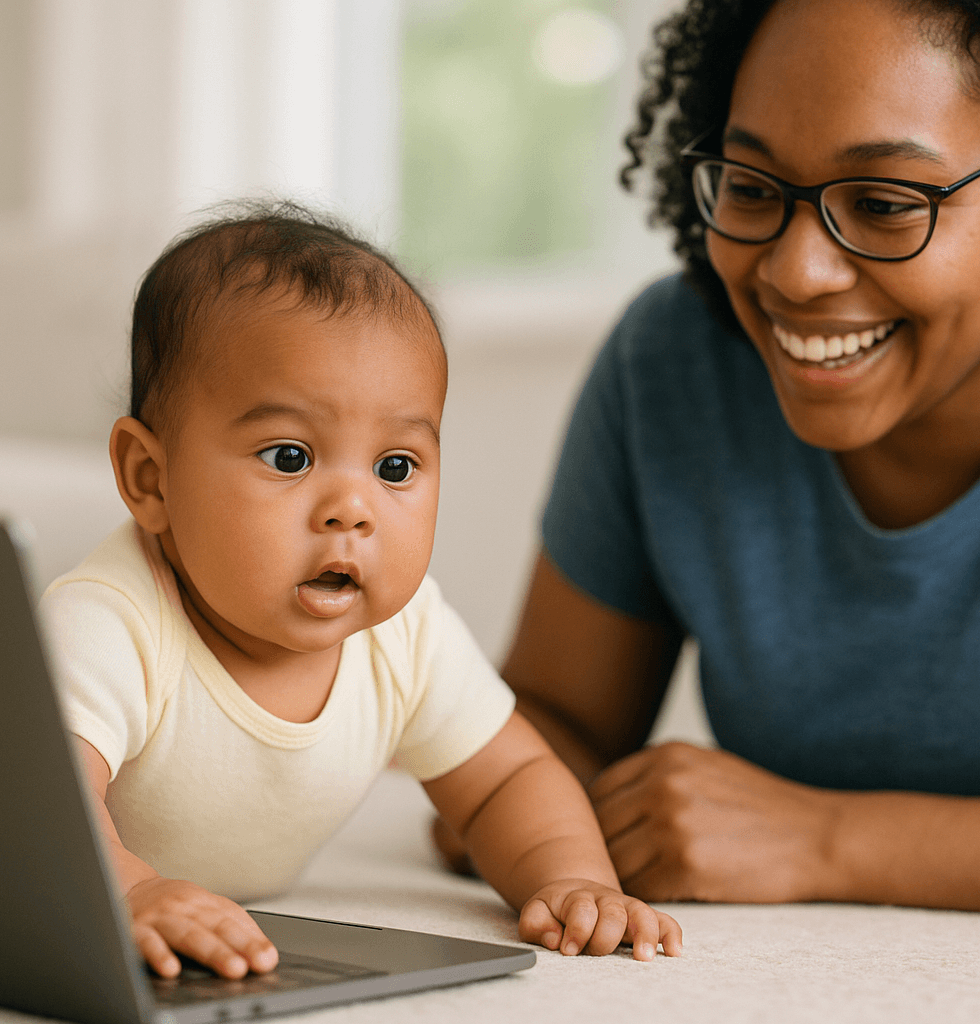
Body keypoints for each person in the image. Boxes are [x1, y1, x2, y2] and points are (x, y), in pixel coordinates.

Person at [462, 0, 980, 924]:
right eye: (751, 186)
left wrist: (825, 838)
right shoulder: (672, 360)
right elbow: (542, 734)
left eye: (888, 204)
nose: (796, 273)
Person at [39, 203, 682, 980]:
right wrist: (133, 890)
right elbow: (40, 800)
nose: (353, 508)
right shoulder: (111, 621)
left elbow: (506, 779)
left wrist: (572, 877)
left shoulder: (405, 635)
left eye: (396, 467)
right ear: (151, 478)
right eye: (288, 456)